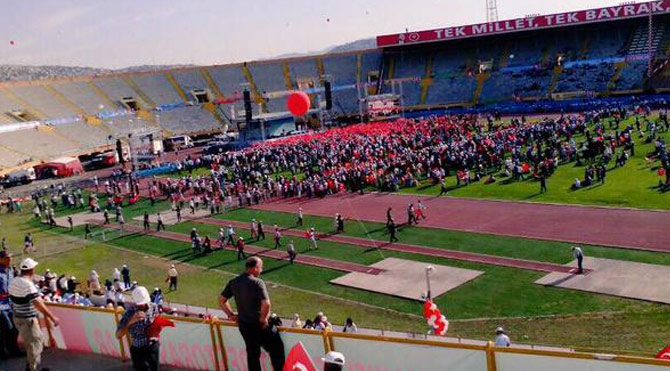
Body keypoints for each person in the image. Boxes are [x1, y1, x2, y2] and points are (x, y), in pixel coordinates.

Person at [219, 257, 285, 371]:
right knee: (276, 349)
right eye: (260, 268)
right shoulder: (257, 282)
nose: (261, 270)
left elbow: (221, 300)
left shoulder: (234, 281)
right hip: (259, 325)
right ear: (255, 268)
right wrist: (263, 319)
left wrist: (231, 315)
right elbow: (266, 304)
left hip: (244, 325)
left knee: (252, 354)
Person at [9, 258, 60, 371]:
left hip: (18, 317)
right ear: (31, 270)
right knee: (35, 344)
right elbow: (38, 303)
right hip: (28, 320)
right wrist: (52, 317)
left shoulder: (14, 281)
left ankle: (31, 366)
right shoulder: (28, 285)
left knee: (34, 342)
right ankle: (32, 368)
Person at [116, 286, 161, 371]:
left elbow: (157, 323)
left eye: (144, 302)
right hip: (138, 349)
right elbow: (118, 335)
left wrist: (156, 333)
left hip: (152, 347)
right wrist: (132, 321)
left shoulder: (154, 307)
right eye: (140, 303)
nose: (143, 305)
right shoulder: (130, 312)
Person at [0, 250, 22, 360]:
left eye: (11, 258)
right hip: (1, 305)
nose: (10, 260)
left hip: (11, 304)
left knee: (15, 328)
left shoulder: (11, 271)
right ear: (1, 259)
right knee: (6, 328)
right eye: (7, 258)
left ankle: (13, 349)